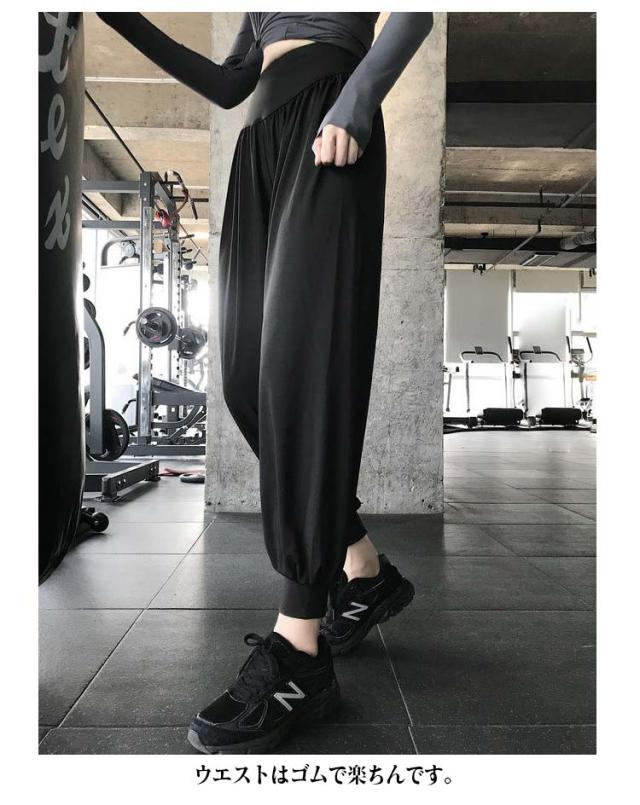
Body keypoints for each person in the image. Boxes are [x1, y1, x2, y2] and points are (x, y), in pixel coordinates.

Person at [96, 11, 434, 754]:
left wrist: (358, 100)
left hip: (330, 118)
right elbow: (228, 83)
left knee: (304, 369)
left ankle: (300, 649)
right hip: (259, 141)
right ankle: (363, 570)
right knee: (248, 383)